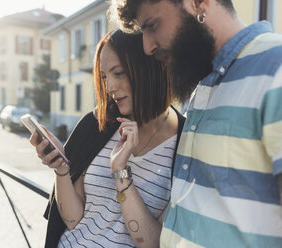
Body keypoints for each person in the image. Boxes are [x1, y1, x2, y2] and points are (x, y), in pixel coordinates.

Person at [111, 0, 282, 247]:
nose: (147, 47)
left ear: (198, 3)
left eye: (152, 25)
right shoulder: (200, 86)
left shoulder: (275, 68)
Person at [29, 29, 185, 248]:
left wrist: (120, 171)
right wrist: (61, 169)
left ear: (150, 69)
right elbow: (73, 221)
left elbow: (152, 243)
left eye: (119, 73)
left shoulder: (186, 145)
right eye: (104, 77)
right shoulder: (97, 124)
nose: (109, 87)